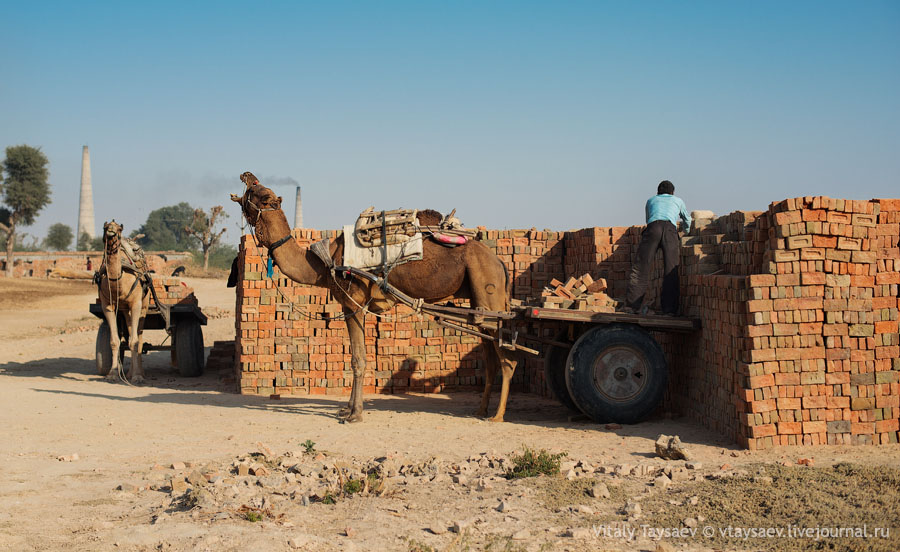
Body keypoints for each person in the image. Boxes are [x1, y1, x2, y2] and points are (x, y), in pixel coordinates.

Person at [625, 180, 691, 315]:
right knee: (671, 270)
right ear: (673, 192)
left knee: (641, 268)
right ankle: (669, 310)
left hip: (653, 228)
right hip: (670, 231)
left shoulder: (651, 200)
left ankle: (632, 306)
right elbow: (687, 219)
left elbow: (648, 218)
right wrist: (685, 232)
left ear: (658, 192)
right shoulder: (678, 200)